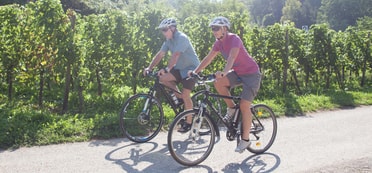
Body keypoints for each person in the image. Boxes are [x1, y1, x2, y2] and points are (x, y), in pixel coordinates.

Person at [189, 16, 261, 153]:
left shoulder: (234, 39)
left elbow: (232, 58)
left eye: (216, 28)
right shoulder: (218, 43)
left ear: (225, 28)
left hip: (251, 74)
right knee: (219, 82)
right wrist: (195, 71)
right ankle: (232, 109)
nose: (214, 31)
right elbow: (208, 58)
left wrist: (224, 71)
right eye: (212, 28)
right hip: (239, 73)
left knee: (245, 105)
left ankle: (245, 140)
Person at [143, 18, 200, 132]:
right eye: (162, 30)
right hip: (179, 68)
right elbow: (160, 54)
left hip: (191, 69)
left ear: (173, 28)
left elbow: (176, 55)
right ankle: (179, 99)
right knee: (162, 79)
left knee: (185, 95)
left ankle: (188, 123)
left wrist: (167, 68)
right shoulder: (169, 41)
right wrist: (150, 68)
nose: (163, 32)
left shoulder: (182, 38)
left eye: (165, 30)